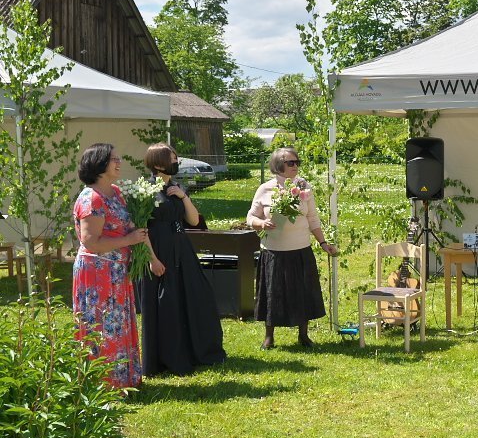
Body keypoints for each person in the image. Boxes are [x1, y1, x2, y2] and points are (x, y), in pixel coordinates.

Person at [138, 143, 226, 375]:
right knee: (166, 303)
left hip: (181, 249)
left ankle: (194, 350)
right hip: (159, 250)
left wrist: (184, 196)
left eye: (176, 159)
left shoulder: (176, 187)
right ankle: (167, 356)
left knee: (196, 297)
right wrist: (152, 259)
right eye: (172, 159)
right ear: (158, 164)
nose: (176, 163)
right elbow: (141, 229)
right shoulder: (145, 190)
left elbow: (194, 220)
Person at [72, 143, 150, 389]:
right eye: (113, 159)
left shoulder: (115, 192)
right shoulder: (91, 198)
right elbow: (90, 242)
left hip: (117, 270)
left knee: (118, 322)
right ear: (99, 164)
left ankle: (124, 380)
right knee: (103, 325)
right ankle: (102, 384)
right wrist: (129, 240)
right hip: (98, 272)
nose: (119, 162)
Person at [247, 147, 338, 349]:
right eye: (291, 163)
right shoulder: (265, 189)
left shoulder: (304, 187)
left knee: (302, 292)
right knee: (273, 292)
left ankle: (303, 335)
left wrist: (323, 243)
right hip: (273, 251)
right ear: (278, 165)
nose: (295, 166)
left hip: (300, 249)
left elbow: (312, 218)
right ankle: (269, 337)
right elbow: (250, 217)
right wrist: (261, 224)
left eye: (297, 162)